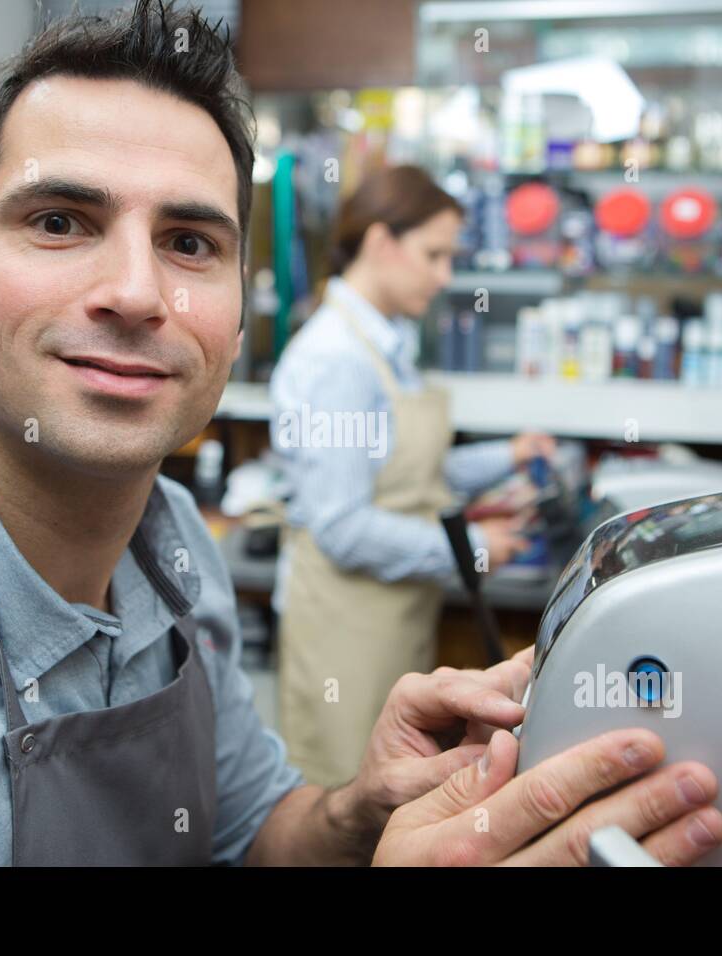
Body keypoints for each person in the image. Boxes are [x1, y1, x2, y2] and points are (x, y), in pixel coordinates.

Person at [0, 0, 722, 866]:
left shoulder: (174, 547)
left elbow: (249, 831)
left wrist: (358, 809)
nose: (136, 292)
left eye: (188, 241)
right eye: (60, 221)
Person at [270, 165, 557, 788]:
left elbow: (409, 468)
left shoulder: (388, 343)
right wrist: (473, 550)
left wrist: (507, 455)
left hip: (391, 618)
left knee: (393, 791)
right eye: (434, 255)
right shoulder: (337, 361)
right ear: (380, 243)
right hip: (345, 633)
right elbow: (343, 525)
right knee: (345, 803)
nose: (445, 276)